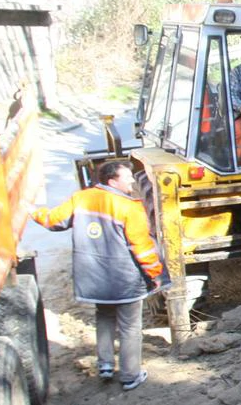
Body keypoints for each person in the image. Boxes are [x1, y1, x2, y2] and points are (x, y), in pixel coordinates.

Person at [30, 159, 165, 391]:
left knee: (104, 315)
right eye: (127, 177)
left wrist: (33, 212)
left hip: (94, 277)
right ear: (113, 181)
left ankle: (104, 364)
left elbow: (53, 221)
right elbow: (141, 247)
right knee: (130, 326)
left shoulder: (81, 198)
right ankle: (131, 374)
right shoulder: (129, 207)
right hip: (123, 278)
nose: (132, 181)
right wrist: (157, 275)